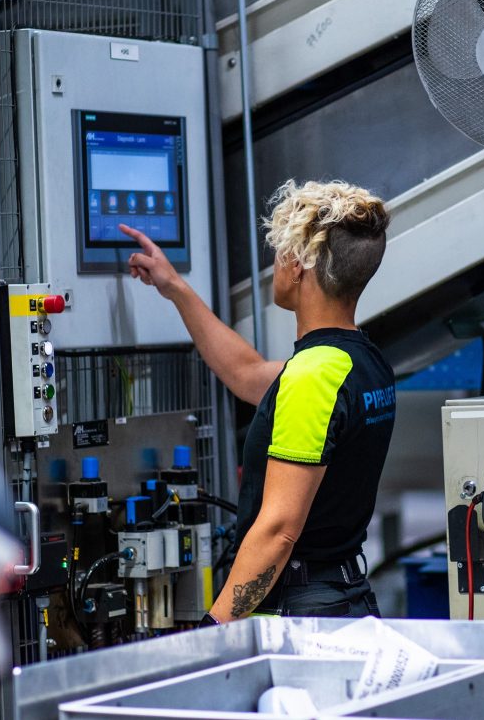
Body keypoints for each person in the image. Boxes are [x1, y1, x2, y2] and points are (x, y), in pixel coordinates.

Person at [119, 179, 395, 622]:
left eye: (280, 250)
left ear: (299, 265)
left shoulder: (314, 375)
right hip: (344, 598)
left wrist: (213, 631)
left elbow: (278, 531)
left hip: (300, 611)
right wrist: (176, 289)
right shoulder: (361, 361)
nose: (276, 264)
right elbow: (247, 374)